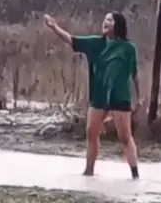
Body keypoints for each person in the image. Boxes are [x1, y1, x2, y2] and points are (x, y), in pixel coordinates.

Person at [44, 11, 141, 179]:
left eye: (109, 20)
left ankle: (135, 174)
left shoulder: (128, 48)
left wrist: (138, 98)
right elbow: (72, 39)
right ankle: (89, 171)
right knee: (91, 131)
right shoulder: (96, 43)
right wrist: (54, 27)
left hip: (120, 96)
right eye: (104, 19)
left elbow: (135, 74)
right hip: (99, 94)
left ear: (118, 24)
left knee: (125, 136)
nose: (105, 22)